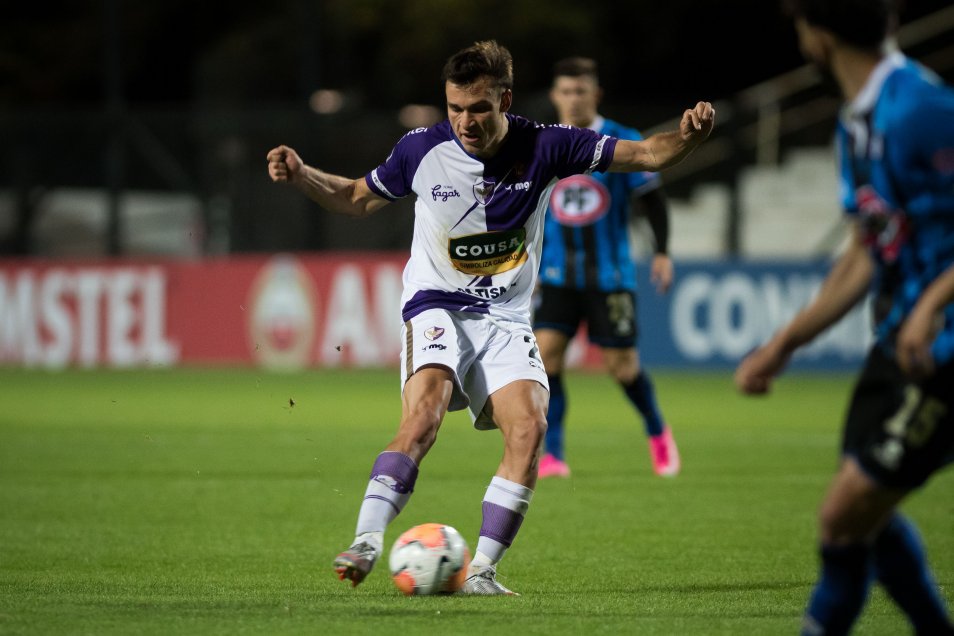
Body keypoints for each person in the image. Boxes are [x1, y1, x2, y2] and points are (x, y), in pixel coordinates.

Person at [268, 40, 714, 595]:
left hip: (504, 315)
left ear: (505, 99)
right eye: (455, 108)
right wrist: (304, 173)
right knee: (424, 415)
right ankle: (365, 541)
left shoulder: (547, 145)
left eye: (479, 108)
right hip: (436, 304)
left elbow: (646, 154)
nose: (465, 121)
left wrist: (689, 138)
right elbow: (357, 198)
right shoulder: (420, 150)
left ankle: (480, 571)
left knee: (530, 430)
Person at [734, 1, 954, 633]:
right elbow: (865, 248)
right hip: (899, 343)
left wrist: (933, 306)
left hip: (940, 346)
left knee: (845, 513)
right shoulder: (855, 123)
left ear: (817, 35)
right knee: (860, 516)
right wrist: (784, 344)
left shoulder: (920, 108)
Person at [533, 56, 680, 479]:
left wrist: (662, 252)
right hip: (557, 275)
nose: (573, 98)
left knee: (623, 368)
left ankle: (657, 430)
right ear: (554, 95)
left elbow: (652, 198)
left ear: (595, 95)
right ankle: (553, 454)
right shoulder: (543, 142)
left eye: (581, 91)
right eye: (566, 91)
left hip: (610, 275)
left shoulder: (621, 138)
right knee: (547, 359)